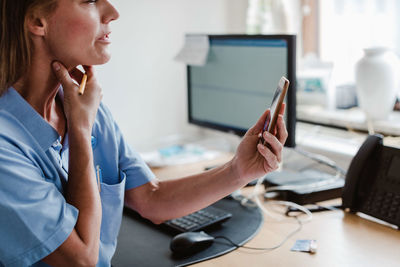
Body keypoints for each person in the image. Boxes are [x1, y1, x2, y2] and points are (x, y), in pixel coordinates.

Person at [0, 1, 288, 266]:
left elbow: (151, 199)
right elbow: (83, 260)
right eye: (89, 0)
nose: (112, 12)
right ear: (38, 20)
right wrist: (80, 129)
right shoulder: (10, 142)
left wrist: (239, 171)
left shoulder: (83, 107)